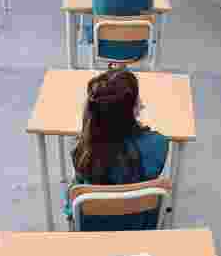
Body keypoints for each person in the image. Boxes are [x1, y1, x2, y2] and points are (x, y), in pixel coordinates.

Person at [67, 70, 169, 231]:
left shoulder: (82, 151)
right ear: (132, 109)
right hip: (140, 228)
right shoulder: (158, 144)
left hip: (94, 231)